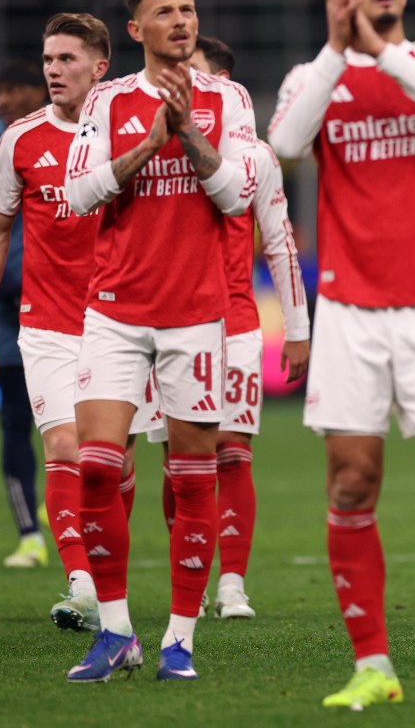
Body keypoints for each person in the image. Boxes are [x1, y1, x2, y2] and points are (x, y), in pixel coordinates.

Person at [268, 0, 415, 709]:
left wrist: (384, 56)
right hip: (350, 311)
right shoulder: (313, 77)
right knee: (352, 483)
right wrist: (340, 52)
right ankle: (373, 663)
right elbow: (286, 145)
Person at [62, 0, 259, 683]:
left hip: (195, 317)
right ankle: (116, 632)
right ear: (137, 29)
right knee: (97, 467)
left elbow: (239, 194)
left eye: (189, 8)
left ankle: (179, 638)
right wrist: (148, 143)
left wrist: (190, 140)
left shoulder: (227, 97)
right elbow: (78, 193)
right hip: (115, 311)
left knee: (192, 479)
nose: (182, 20)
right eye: (166, 12)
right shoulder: (108, 100)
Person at [0, 15, 149, 627]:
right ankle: (81, 583)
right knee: (65, 446)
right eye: (48, 59)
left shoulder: (134, 131)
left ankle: (108, 577)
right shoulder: (20, 140)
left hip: (123, 321)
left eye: (67, 59)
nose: (53, 69)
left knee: (115, 462)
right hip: (45, 321)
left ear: (100, 67)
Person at [158, 34, 309, 620]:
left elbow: (280, 244)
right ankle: (188, 577)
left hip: (237, 321)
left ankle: (232, 586)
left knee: (233, 453)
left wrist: (297, 327)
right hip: (165, 321)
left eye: (195, 74)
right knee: (180, 461)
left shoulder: (257, 160)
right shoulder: (156, 149)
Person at [0, 61, 49, 568]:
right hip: (8, 309)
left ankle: (62, 505)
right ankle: (29, 532)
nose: (4, 99)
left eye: (14, 89)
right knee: (14, 420)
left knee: (79, 425)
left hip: (65, 304)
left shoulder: (75, 138)